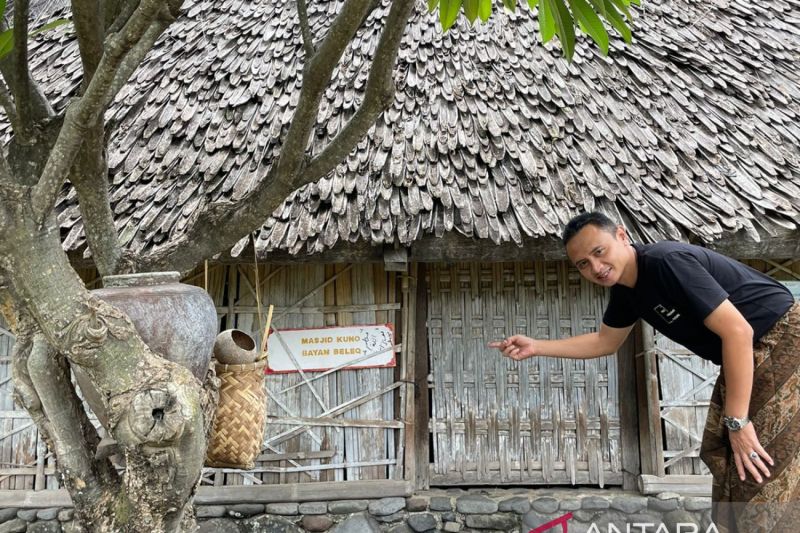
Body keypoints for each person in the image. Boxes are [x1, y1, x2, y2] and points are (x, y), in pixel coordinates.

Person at [489, 211, 798, 533]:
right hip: (751, 352)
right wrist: (537, 346)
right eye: (582, 264)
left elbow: (738, 332)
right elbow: (605, 341)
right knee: (722, 452)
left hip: (781, 339)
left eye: (599, 252)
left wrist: (738, 421)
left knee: (760, 461)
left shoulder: (666, 262)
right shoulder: (627, 292)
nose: (595, 267)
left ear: (622, 236)